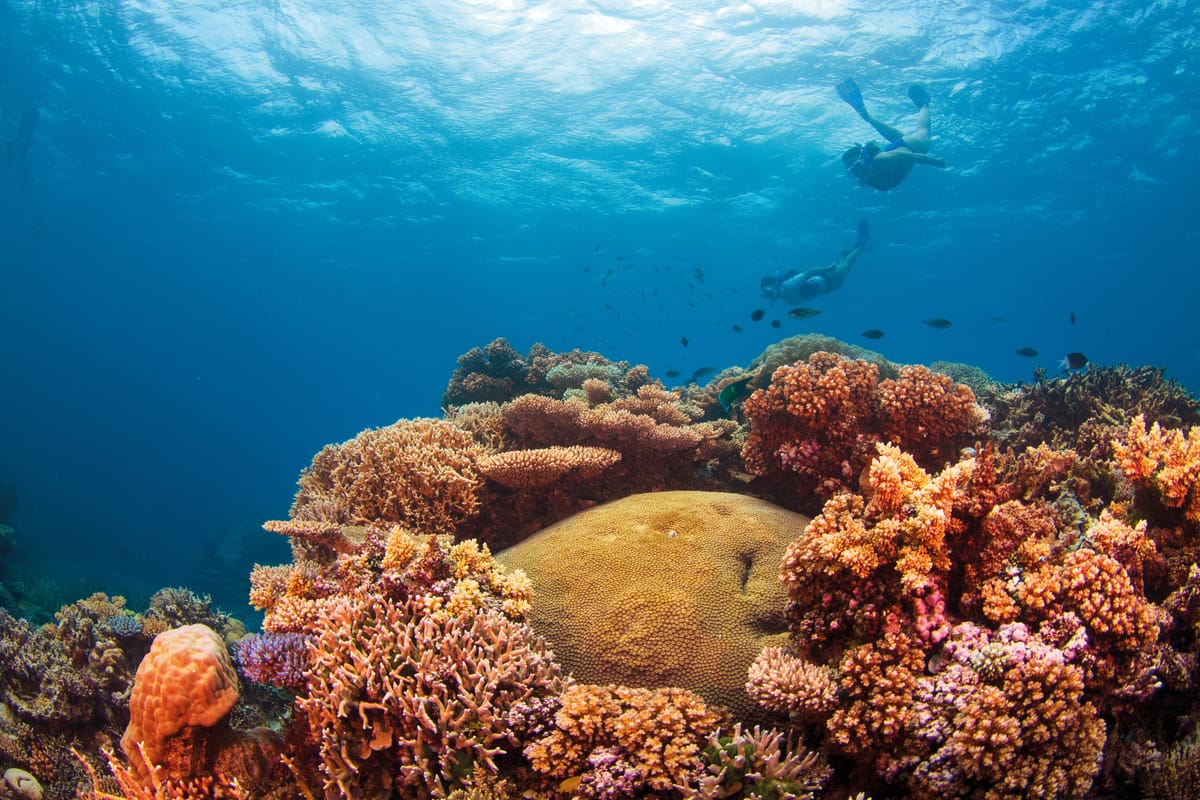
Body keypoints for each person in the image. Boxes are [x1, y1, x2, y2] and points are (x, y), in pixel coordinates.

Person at [836, 79, 945, 191]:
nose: (856, 172)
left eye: (856, 166)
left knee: (923, 133)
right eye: (851, 170)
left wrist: (936, 161)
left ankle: (924, 104)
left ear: (864, 160)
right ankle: (865, 114)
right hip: (895, 149)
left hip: (910, 146)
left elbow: (915, 156)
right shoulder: (866, 180)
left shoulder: (880, 159)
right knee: (899, 137)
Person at [761, 219, 869, 304]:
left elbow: (810, 271)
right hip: (826, 287)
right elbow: (808, 296)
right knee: (843, 272)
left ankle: (860, 246)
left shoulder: (788, 286)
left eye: (768, 292)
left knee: (846, 267)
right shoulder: (787, 299)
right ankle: (845, 255)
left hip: (825, 279)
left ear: (773, 286)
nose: (769, 296)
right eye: (767, 295)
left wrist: (828, 268)